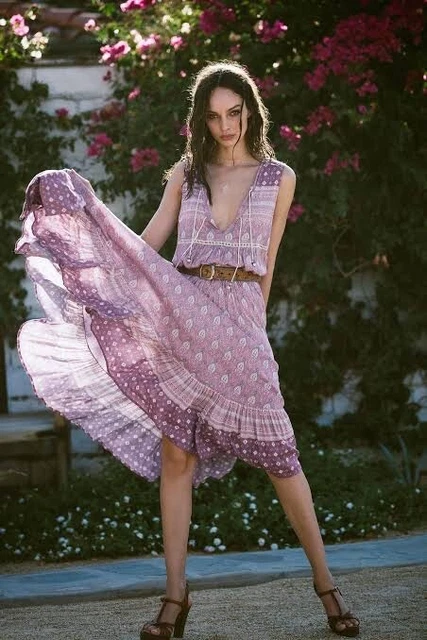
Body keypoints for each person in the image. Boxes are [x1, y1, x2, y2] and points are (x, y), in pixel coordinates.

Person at [16, 61, 359, 639]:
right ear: (201, 119)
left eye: (235, 112)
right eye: (215, 115)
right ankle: (175, 598)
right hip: (183, 307)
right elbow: (147, 246)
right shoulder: (186, 174)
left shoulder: (279, 177)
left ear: (250, 112)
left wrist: (254, 330)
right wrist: (89, 220)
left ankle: (328, 587)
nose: (226, 126)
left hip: (240, 319)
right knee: (177, 456)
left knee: (281, 455)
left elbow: (268, 262)